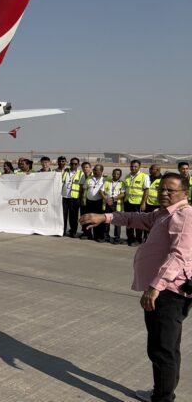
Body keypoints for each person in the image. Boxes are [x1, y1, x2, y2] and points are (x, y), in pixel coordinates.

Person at [80, 173, 191, 402]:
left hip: (167, 293)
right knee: (165, 348)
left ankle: (162, 399)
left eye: (171, 190)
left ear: (184, 193)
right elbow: (134, 218)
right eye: (161, 189)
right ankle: (162, 392)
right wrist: (106, 217)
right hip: (162, 290)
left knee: (162, 350)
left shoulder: (184, 215)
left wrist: (154, 287)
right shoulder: (162, 214)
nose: (164, 193)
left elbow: (179, 256)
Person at [124, 160, 151, 246]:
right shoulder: (127, 176)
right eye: (132, 166)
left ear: (139, 167)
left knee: (138, 222)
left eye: (135, 166)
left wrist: (143, 203)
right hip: (128, 202)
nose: (133, 168)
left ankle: (138, 239)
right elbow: (124, 190)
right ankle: (130, 238)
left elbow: (146, 190)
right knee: (128, 221)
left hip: (138, 203)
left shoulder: (144, 176)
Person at [82, 165, 107, 242]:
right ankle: (88, 234)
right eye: (94, 170)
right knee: (88, 218)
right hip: (89, 202)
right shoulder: (89, 179)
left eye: (97, 170)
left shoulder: (105, 179)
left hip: (99, 202)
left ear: (101, 171)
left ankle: (99, 236)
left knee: (98, 220)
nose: (95, 171)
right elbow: (84, 189)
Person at [61, 158, 83, 237]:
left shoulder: (81, 174)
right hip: (64, 197)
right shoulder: (65, 172)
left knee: (73, 217)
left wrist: (80, 199)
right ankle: (62, 231)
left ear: (78, 165)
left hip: (74, 198)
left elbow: (81, 188)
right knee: (63, 216)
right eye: (72, 163)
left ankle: (73, 232)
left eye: (75, 164)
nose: (73, 165)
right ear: (69, 164)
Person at [102, 168, 124, 244]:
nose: (115, 175)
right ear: (112, 174)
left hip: (116, 205)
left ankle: (117, 239)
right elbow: (101, 191)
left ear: (120, 175)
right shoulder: (107, 182)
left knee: (117, 222)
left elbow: (123, 194)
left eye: (118, 174)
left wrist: (113, 198)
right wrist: (106, 199)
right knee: (106, 221)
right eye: (114, 173)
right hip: (107, 203)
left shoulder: (122, 183)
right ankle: (106, 237)